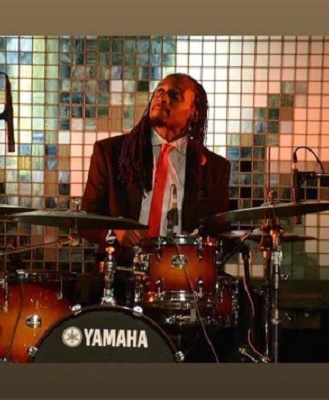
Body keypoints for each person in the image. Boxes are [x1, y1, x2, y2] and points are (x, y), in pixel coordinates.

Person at [80, 73, 231, 304]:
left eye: (175, 95)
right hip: (119, 274)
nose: (162, 98)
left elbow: (220, 232)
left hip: (181, 281)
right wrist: (114, 232)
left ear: (194, 112)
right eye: (159, 91)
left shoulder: (214, 168)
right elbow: (86, 219)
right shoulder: (111, 153)